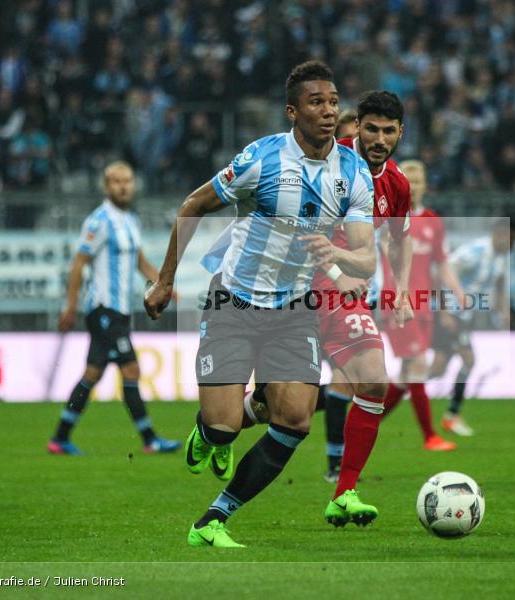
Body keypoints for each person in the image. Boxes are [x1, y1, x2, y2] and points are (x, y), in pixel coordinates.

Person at [144, 60, 378, 548]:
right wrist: (164, 283)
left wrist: (337, 255)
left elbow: (365, 258)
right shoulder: (262, 158)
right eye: (317, 102)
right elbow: (193, 207)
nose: (329, 111)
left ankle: (213, 520)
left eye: (334, 102)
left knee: (293, 419)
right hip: (234, 302)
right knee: (225, 427)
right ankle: (207, 434)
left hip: (295, 308)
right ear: (293, 111)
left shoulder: (354, 171)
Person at [242, 90, 415, 527]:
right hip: (294, 290)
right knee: (272, 408)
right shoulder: (329, 164)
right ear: (356, 128)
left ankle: (344, 491)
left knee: (372, 380)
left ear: (399, 134)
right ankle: (216, 426)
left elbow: (400, 239)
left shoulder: (395, 183)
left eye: (388, 131)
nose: (378, 138)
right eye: (370, 128)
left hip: (343, 297)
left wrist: (401, 291)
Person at [48, 162, 181, 456]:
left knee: (93, 373)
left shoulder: (130, 220)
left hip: (119, 310)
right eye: (116, 182)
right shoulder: (99, 221)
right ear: (106, 187)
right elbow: (78, 264)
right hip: (103, 309)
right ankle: (150, 439)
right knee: (131, 369)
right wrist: (70, 306)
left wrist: (164, 284)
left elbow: (139, 261)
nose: (123, 186)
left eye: (128, 181)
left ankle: (60, 437)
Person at [381, 159, 462, 447]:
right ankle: (430, 435)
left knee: (404, 377)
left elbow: (442, 263)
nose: (413, 187)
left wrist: (457, 291)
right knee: (417, 364)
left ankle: (362, 421)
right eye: (408, 181)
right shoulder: (388, 217)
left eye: (418, 182)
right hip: (398, 303)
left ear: (425, 185)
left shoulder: (432, 221)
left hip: (424, 305)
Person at [428, 220, 515, 436]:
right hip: (449, 315)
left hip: (462, 317)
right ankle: (452, 415)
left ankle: (393, 387)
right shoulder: (474, 252)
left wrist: (502, 311)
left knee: (437, 369)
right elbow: (440, 274)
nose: (511, 244)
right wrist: (444, 311)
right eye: (509, 238)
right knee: (469, 359)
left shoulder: (501, 259)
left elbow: (500, 285)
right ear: (498, 234)